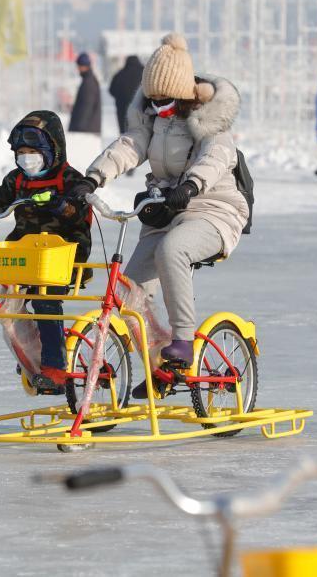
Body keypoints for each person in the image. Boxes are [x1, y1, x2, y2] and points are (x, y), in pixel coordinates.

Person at [67, 32, 249, 399]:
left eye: (165, 99)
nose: (159, 106)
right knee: (127, 291)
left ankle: (182, 340)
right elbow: (129, 147)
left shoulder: (208, 122)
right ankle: (159, 366)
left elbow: (216, 159)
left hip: (214, 209)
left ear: (182, 95)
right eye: (152, 99)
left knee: (173, 251)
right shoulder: (153, 118)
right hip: (166, 208)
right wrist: (92, 177)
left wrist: (191, 186)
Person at [0, 111, 93, 394]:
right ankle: (34, 352)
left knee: (44, 300)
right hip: (26, 254)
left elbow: (77, 209)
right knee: (7, 302)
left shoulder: (69, 179)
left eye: (33, 151)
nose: (26, 158)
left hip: (62, 256)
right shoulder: (17, 180)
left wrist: (61, 206)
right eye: (21, 152)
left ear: (53, 150)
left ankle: (56, 368)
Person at [108, 55, 144, 134]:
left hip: (123, 110)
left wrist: (121, 97)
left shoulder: (119, 74)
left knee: (125, 136)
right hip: (141, 111)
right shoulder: (144, 73)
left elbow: (111, 90)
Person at [68, 52, 101, 134]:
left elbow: (86, 107)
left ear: (83, 66)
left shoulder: (88, 83)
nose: (77, 68)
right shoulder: (89, 80)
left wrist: (79, 128)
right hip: (88, 129)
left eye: (78, 66)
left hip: (86, 131)